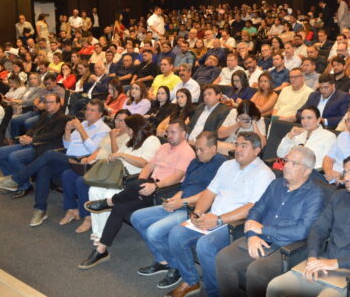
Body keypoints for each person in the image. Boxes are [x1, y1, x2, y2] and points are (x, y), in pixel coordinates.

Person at [155, 132, 275, 297]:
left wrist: (218, 220)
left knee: (205, 245)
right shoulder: (227, 165)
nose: (238, 149)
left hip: (236, 225)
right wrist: (198, 212)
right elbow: (209, 192)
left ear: (257, 150)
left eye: (244, 146)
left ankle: (214, 293)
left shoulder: (264, 174)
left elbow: (252, 208)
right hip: (211, 216)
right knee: (176, 234)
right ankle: (191, 281)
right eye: (237, 144)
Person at [266, 154, 350, 297]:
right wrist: (312, 257)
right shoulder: (339, 197)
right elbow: (318, 229)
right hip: (324, 265)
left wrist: (336, 263)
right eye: (345, 172)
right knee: (276, 287)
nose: (346, 177)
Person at [79, 119, 193, 269]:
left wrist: (154, 186)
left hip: (164, 191)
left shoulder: (187, 152)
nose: (169, 135)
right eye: (168, 132)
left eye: (173, 132)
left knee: (120, 203)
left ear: (184, 134)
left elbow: (177, 178)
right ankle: (101, 249)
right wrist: (140, 183)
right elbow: (148, 166)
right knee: (120, 207)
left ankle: (109, 202)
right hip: (149, 185)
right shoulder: (164, 146)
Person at [216, 146, 326, 297]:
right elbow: (256, 210)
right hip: (259, 238)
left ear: (307, 170)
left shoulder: (315, 194)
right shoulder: (276, 184)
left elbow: (303, 230)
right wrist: (252, 235)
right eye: (287, 161)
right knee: (224, 258)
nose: (286, 166)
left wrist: (263, 229)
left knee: (256, 271)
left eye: (294, 164)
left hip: (286, 246)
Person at [0, 99, 109, 226]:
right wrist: (67, 132)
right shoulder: (84, 123)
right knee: (43, 168)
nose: (88, 112)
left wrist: (80, 129)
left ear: (100, 114)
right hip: (68, 156)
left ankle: (16, 180)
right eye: (87, 109)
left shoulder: (103, 129)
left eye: (92, 110)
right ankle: (40, 209)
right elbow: (67, 145)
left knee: (50, 154)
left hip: (83, 161)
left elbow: (94, 151)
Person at [132, 131, 227, 279]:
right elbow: (184, 188)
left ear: (214, 149)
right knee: (137, 217)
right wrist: (174, 200)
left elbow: (210, 194)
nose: (198, 153)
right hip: (181, 203)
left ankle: (176, 267)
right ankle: (163, 261)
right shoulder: (195, 162)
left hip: (195, 209)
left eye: (202, 149)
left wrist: (181, 203)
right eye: (196, 149)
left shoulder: (221, 164)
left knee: (153, 232)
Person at [278, 105, 337, 170]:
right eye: (303, 118)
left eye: (309, 118)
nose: (305, 121)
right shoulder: (298, 133)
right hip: (291, 169)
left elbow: (326, 162)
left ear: (318, 120)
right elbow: (280, 154)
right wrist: (290, 136)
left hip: (312, 173)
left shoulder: (329, 136)